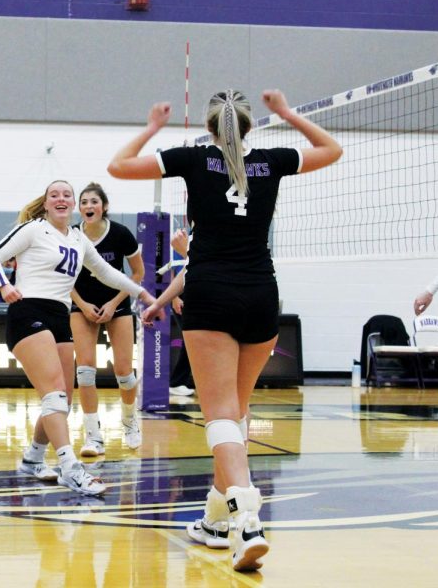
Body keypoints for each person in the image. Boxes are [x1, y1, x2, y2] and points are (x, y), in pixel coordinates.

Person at [110, 90, 341, 571]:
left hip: (211, 290)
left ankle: (246, 517)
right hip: (262, 293)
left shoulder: (192, 158)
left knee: (218, 414)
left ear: (212, 129)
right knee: (235, 412)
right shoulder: (274, 160)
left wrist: (153, 125)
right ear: (252, 126)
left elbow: (118, 166)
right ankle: (216, 520)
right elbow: (332, 150)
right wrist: (287, 113)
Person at [0, 180, 162, 496]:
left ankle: (33, 458)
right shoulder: (34, 229)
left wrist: (144, 293)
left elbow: (107, 273)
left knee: (63, 398)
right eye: (55, 195)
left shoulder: (78, 238)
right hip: (27, 310)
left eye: (67, 195)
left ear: (75, 205)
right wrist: (2, 286)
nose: (61, 199)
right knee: (53, 395)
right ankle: (69, 468)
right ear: (47, 203)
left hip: (59, 315)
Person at [68, 183, 146, 455]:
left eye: (94, 202)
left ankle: (129, 422)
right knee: (85, 371)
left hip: (118, 305)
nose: (89, 206)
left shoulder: (121, 234)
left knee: (124, 373)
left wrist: (114, 303)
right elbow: (64, 277)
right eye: (84, 202)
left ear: (104, 206)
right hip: (83, 306)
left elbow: (137, 273)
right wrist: (82, 305)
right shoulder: (72, 235)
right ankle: (93, 437)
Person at [168, 228, 196, 397]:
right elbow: (173, 268)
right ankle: (177, 382)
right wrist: (175, 297)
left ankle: (179, 381)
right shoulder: (183, 237)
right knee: (191, 339)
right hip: (182, 292)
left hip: (198, 291)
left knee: (193, 339)